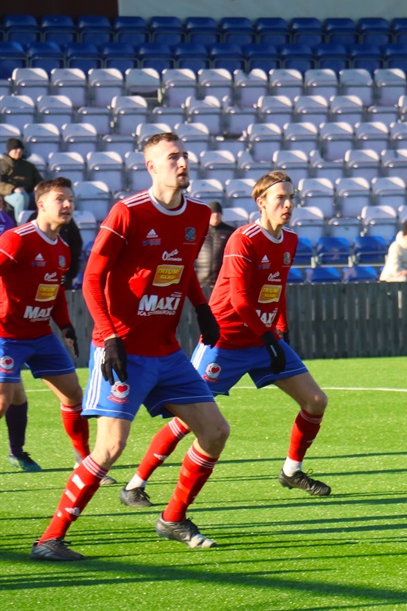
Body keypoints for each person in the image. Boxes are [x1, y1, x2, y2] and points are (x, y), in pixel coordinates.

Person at [30, 132, 227, 561]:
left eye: (184, 155)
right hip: (122, 348)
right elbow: (92, 279)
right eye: (172, 157)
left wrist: (201, 308)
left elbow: (182, 269)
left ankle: (173, 519)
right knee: (110, 449)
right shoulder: (128, 212)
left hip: (166, 350)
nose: (182, 162)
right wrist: (110, 335)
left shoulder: (197, 213)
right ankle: (50, 539)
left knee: (215, 432)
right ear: (151, 167)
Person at [119, 170, 332, 509]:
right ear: (261, 202)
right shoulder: (243, 238)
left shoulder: (290, 240)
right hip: (225, 342)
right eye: (281, 198)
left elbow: (277, 288)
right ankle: (135, 484)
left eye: (292, 198)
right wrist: (269, 337)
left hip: (263, 340)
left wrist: (281, 328)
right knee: (188, 421)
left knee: (316, 401)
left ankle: (292, 471)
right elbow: (239, 299)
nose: (288, 204)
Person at [0, 178, 109, 482]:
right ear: (41, 204)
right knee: (2, 400)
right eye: (60, 199)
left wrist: (65, 325)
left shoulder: (62, 248)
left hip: (40, 335)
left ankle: (83, 461)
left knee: (73, 394)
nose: (68, 205)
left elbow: (56, 291)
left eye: (70, 199)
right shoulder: (16, 239)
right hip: (6, 334)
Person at [0, 138, 44, 221]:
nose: (19, 151)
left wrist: (39, 187)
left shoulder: (29, 166)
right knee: (22, 197)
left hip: (29, 193)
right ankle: (20, 222)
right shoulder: (2, 164)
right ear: (9, 150)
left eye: (20, 148)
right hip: (8, 195)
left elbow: (39, 180)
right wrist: (13, 189)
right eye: (15, 148)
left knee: (44, 197)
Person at [196, 201, 236, 288]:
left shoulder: (230, 232)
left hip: (222, 281)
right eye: (213, 214)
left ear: (221, 215)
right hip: (202, 280)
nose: (215, 217)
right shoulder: (199, 230)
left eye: (218, 214)